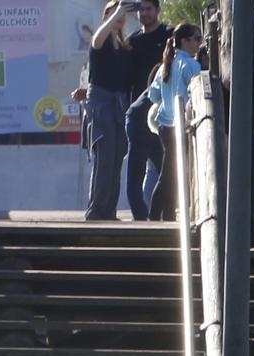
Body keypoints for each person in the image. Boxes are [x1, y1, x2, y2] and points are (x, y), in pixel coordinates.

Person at [147, 22, 203, 221]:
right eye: (197, 38)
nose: (200, 43)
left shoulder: (166, 64)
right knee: (169, 173)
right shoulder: (192, 65)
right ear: (185, 41)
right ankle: (154, 216)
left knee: (170, 171)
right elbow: (198, 96)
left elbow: (153, 95)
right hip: (181, 125)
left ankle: (168, 215)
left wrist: (167, 94)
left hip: (164, 124)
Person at [84, 1, 132, 221]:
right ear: (107, 17)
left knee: (116, 158)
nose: (120, 17)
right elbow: (96, 40)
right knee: (103, 156)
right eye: (114, 14)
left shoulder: (124, 48)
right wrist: (116, 13)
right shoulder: (100, 42)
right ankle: (96, 210)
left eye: (122, 14)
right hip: (102, 103)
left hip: (119, 105)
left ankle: (109, 210)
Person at [125, 0, 171, 220]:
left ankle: (162, 216)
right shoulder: (132, 42)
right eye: (141, 9)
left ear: (157, 10)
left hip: (164, 115)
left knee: (165, 171)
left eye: (149, 8)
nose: (145, 13)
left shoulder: (168, 36)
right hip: (140, 114)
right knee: (138, 172)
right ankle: (142, 220)